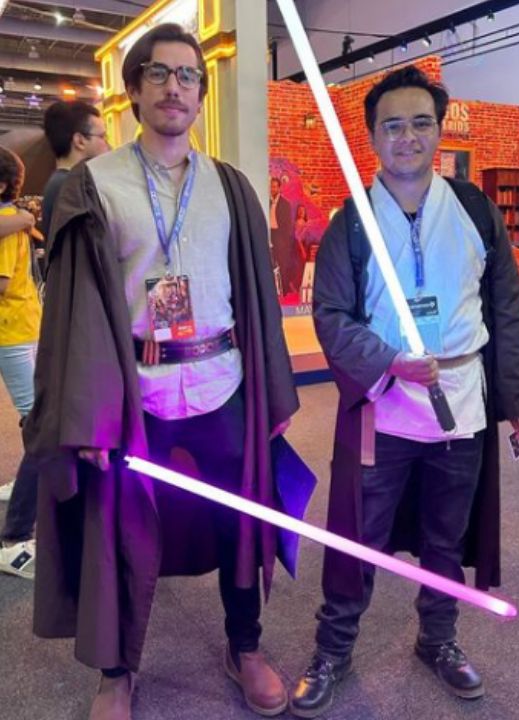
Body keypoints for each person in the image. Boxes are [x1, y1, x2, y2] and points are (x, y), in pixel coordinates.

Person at [24, 23, 298, 720]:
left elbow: (257, 299)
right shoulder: (94, 185)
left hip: (222, 382)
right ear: (134, 89)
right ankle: (117, 671)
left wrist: (271, 392)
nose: (175, 88)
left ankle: (245, 646)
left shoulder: (230, 187)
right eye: (159, 74)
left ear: (201, 93)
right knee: (117, 526)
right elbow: (75, 311)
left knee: (240, 519)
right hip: (134, 392)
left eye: (188, 76)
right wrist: (88, 414)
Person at [289, 65, 519, 717]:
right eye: (392, 126)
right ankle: (333, 649)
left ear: (438, 131)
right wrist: (390, 363)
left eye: (420, 123)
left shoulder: (473, 210)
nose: (407, 137)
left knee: (446, 536)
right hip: (383, 406)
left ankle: (438, 638)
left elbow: (506, 304)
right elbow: (332, 315)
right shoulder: (353, 221)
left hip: (460, 400)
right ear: (372, 137)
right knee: (358, 537)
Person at [0, 147, 42, 579]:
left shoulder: (9, 220)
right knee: (37, 422)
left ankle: (17, 521)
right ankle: (14, 536)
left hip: (17, 328)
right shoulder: (12, 219)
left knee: (36, 420)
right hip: (15, 329)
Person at [41, 100, 110, 240]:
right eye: (102, 136)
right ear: (80, 141)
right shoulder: (72, 188)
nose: (108, 144)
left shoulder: (61, 183)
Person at [270, 176, 294, 296]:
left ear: (279, 188)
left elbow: (288, 225)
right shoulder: (267, 202)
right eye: (271, 187)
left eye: (275, 187)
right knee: (271, 261)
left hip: (280, 236)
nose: (272, 189)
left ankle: (284, 290)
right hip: (270, 234)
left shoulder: (285, 204)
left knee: (282, 263)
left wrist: (285, 241)